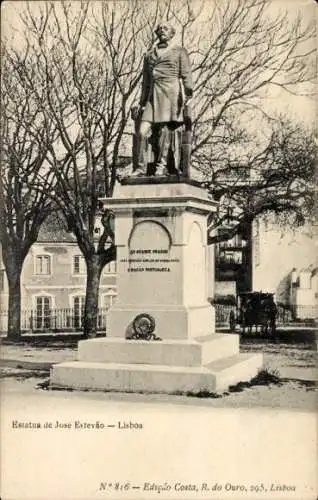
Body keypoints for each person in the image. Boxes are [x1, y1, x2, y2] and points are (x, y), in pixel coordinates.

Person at [131, 23, 193, 177]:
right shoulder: (149, 55)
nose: (162, 31)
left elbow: (186, 74)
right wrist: (141, 102)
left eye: (166, 28)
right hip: (153, 95)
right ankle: (140, 168)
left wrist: (188, 94)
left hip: (170, 94)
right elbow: (145, 81)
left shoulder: (179, 51)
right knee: (142, 132)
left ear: (172, 33)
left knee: (165, 132)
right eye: (159, 29)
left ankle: (161, 166)